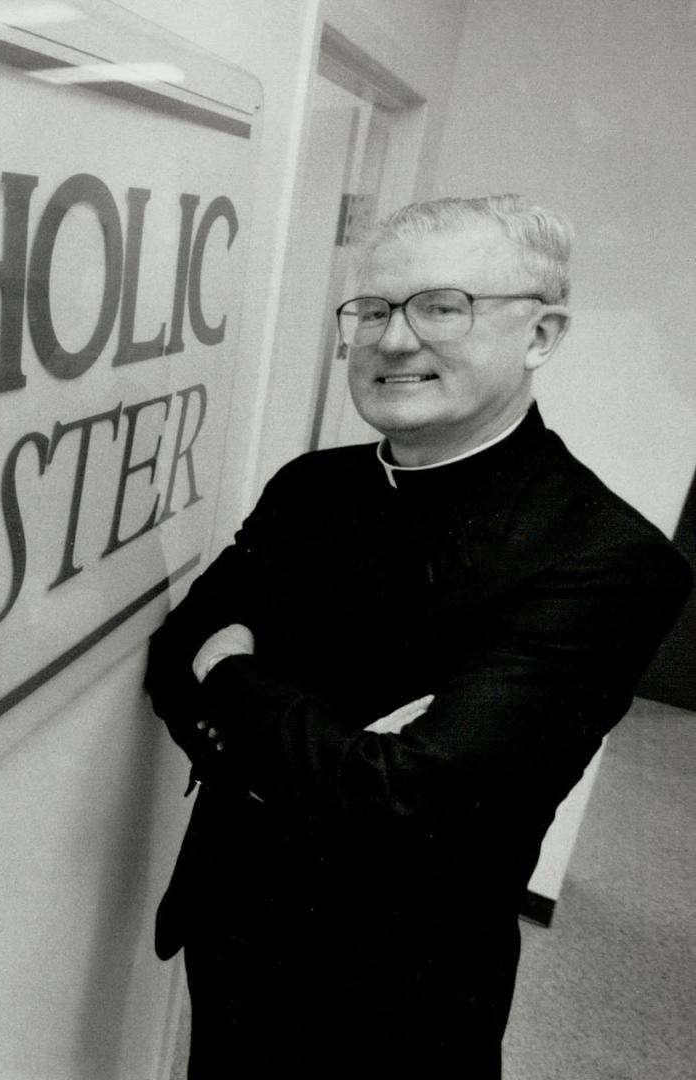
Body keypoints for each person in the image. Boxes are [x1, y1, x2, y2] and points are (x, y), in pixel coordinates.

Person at [142, 195, 692, 1078]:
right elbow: (175, 656)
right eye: (372, 309)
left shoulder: (603, 558)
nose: (393, 341)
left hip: (392, 988)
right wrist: (343, 755)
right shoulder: (311, 485)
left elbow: (408, 802)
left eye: (442, 307)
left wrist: (236, 673)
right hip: (230, 911)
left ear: (540, 334)